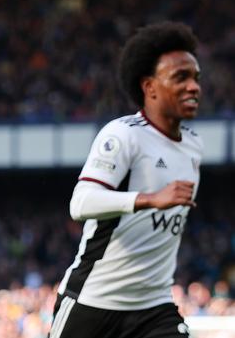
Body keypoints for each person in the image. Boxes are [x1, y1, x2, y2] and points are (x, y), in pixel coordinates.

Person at [49, 21, 202, 338]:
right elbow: (80, 203)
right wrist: (150, 199)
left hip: (154, 306)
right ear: (150, 87)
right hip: (93, 301)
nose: (194, 87)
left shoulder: (193, 146)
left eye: (196, 78)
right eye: (181, 77)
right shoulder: (123, 135)